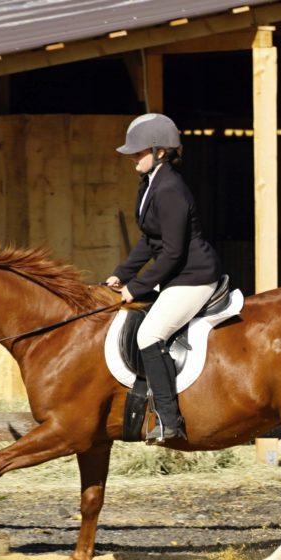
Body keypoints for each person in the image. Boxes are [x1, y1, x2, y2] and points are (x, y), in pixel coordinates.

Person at [107, 113, 224, 444]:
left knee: (149, 334)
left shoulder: (170, 188)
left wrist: (136, 287)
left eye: (138, 151)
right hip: (176, 274)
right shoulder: (151, 183)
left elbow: (172, 252)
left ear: (160, 151)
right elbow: (150, 240)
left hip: (194, 277)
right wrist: (122, 273)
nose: (133, 157)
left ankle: (169, 421)